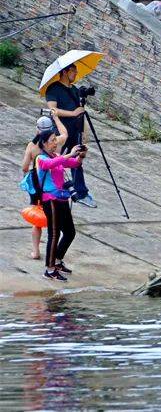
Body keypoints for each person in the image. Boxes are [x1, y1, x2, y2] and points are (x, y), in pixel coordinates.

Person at [36, 131, 87, 281]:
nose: (55, 143)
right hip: (50, 200)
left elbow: (75, 163)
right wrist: (69, 154)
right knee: (54, 234)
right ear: (44, 143)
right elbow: (50, 164)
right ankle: (49, 269)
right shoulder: (41, 158)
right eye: (52, 140)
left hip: (63, 199)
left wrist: (81, 155)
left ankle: (57, 260)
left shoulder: (56, 156)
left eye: (55, 140)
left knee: (70, 232)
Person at [44, 64, 96, 208]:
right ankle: (52, 188)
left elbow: (79, 111)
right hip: (60, 131)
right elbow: (53, 110)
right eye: (73, 71)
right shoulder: (53, 88)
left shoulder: (74, 90)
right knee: (55, 159)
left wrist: (84, 130)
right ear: (65, 72)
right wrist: (73, 114)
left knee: (77, 159)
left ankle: (81, 192)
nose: (76, 74)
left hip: (75, 129)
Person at [22, 116, 68, 260]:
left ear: (37, 129)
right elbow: (65, 134)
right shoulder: (57, 141)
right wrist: (56, 117)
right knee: (57, 223)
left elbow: (24, 167)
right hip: (56, 187)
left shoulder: (32, 146)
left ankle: (36, 251)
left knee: (38, 219)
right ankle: (55, 250)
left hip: (39, 186)